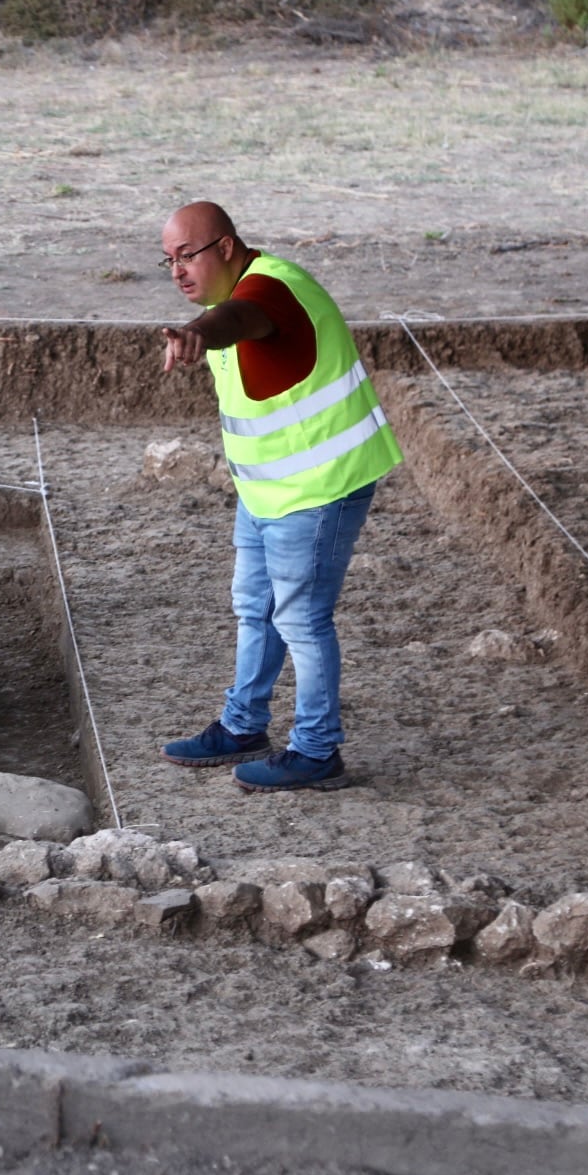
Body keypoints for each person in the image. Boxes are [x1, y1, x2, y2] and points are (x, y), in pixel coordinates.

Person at [156, 201, 402, 792]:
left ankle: (317, 752)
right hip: (266, 491)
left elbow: (240, 320)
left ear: (225, 247)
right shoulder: (233, 294)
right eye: (167, 261)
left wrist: (196, 333)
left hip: (320, 489)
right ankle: (243, 726)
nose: (177, 271)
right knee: (254, 607)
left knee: (302, 620)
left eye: (187, 256)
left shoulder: (270, 292)